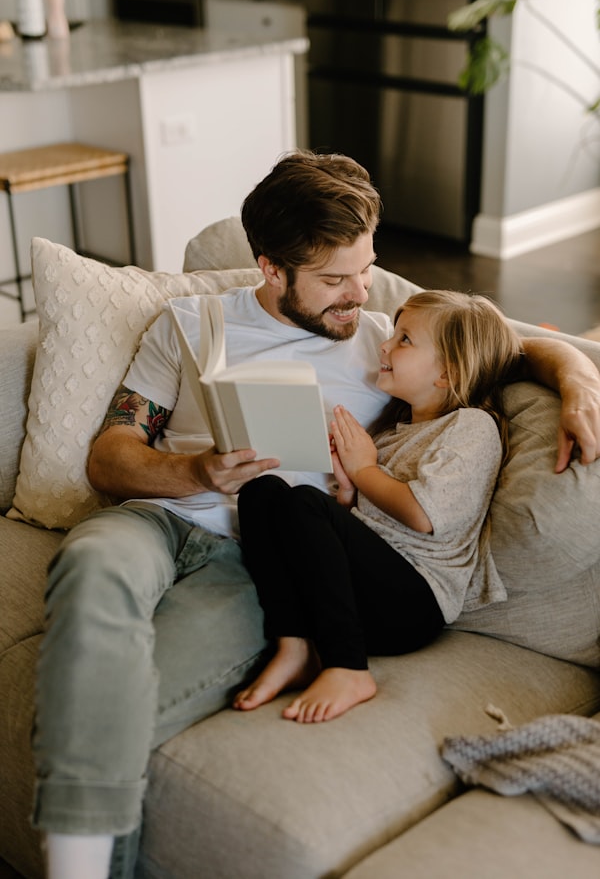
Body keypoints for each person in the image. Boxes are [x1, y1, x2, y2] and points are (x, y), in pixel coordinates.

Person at [31, 150, 600, 879]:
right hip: (152, 518)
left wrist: (582, 382)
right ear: (271, 269)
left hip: (257, 559)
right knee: (88, 571)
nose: (360, 295)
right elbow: (108, 458)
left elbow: (513, 346)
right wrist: (195, 469)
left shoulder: (388, 344)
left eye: (367, 270)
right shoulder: (190, 323)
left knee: (108, 697)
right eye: (335, 280)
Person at [233, 290, 522, 722]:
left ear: (448, 373)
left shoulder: (472, 427)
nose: (385, 345)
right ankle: (294, 644)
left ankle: (348, 667)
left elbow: (424, 516)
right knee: (262, 491)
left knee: (305, 504)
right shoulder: (394, 432)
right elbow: (366, 525)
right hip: (367, 588)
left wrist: (365, 468)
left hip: (414, 601)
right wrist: (349, 492)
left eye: (404, 340)